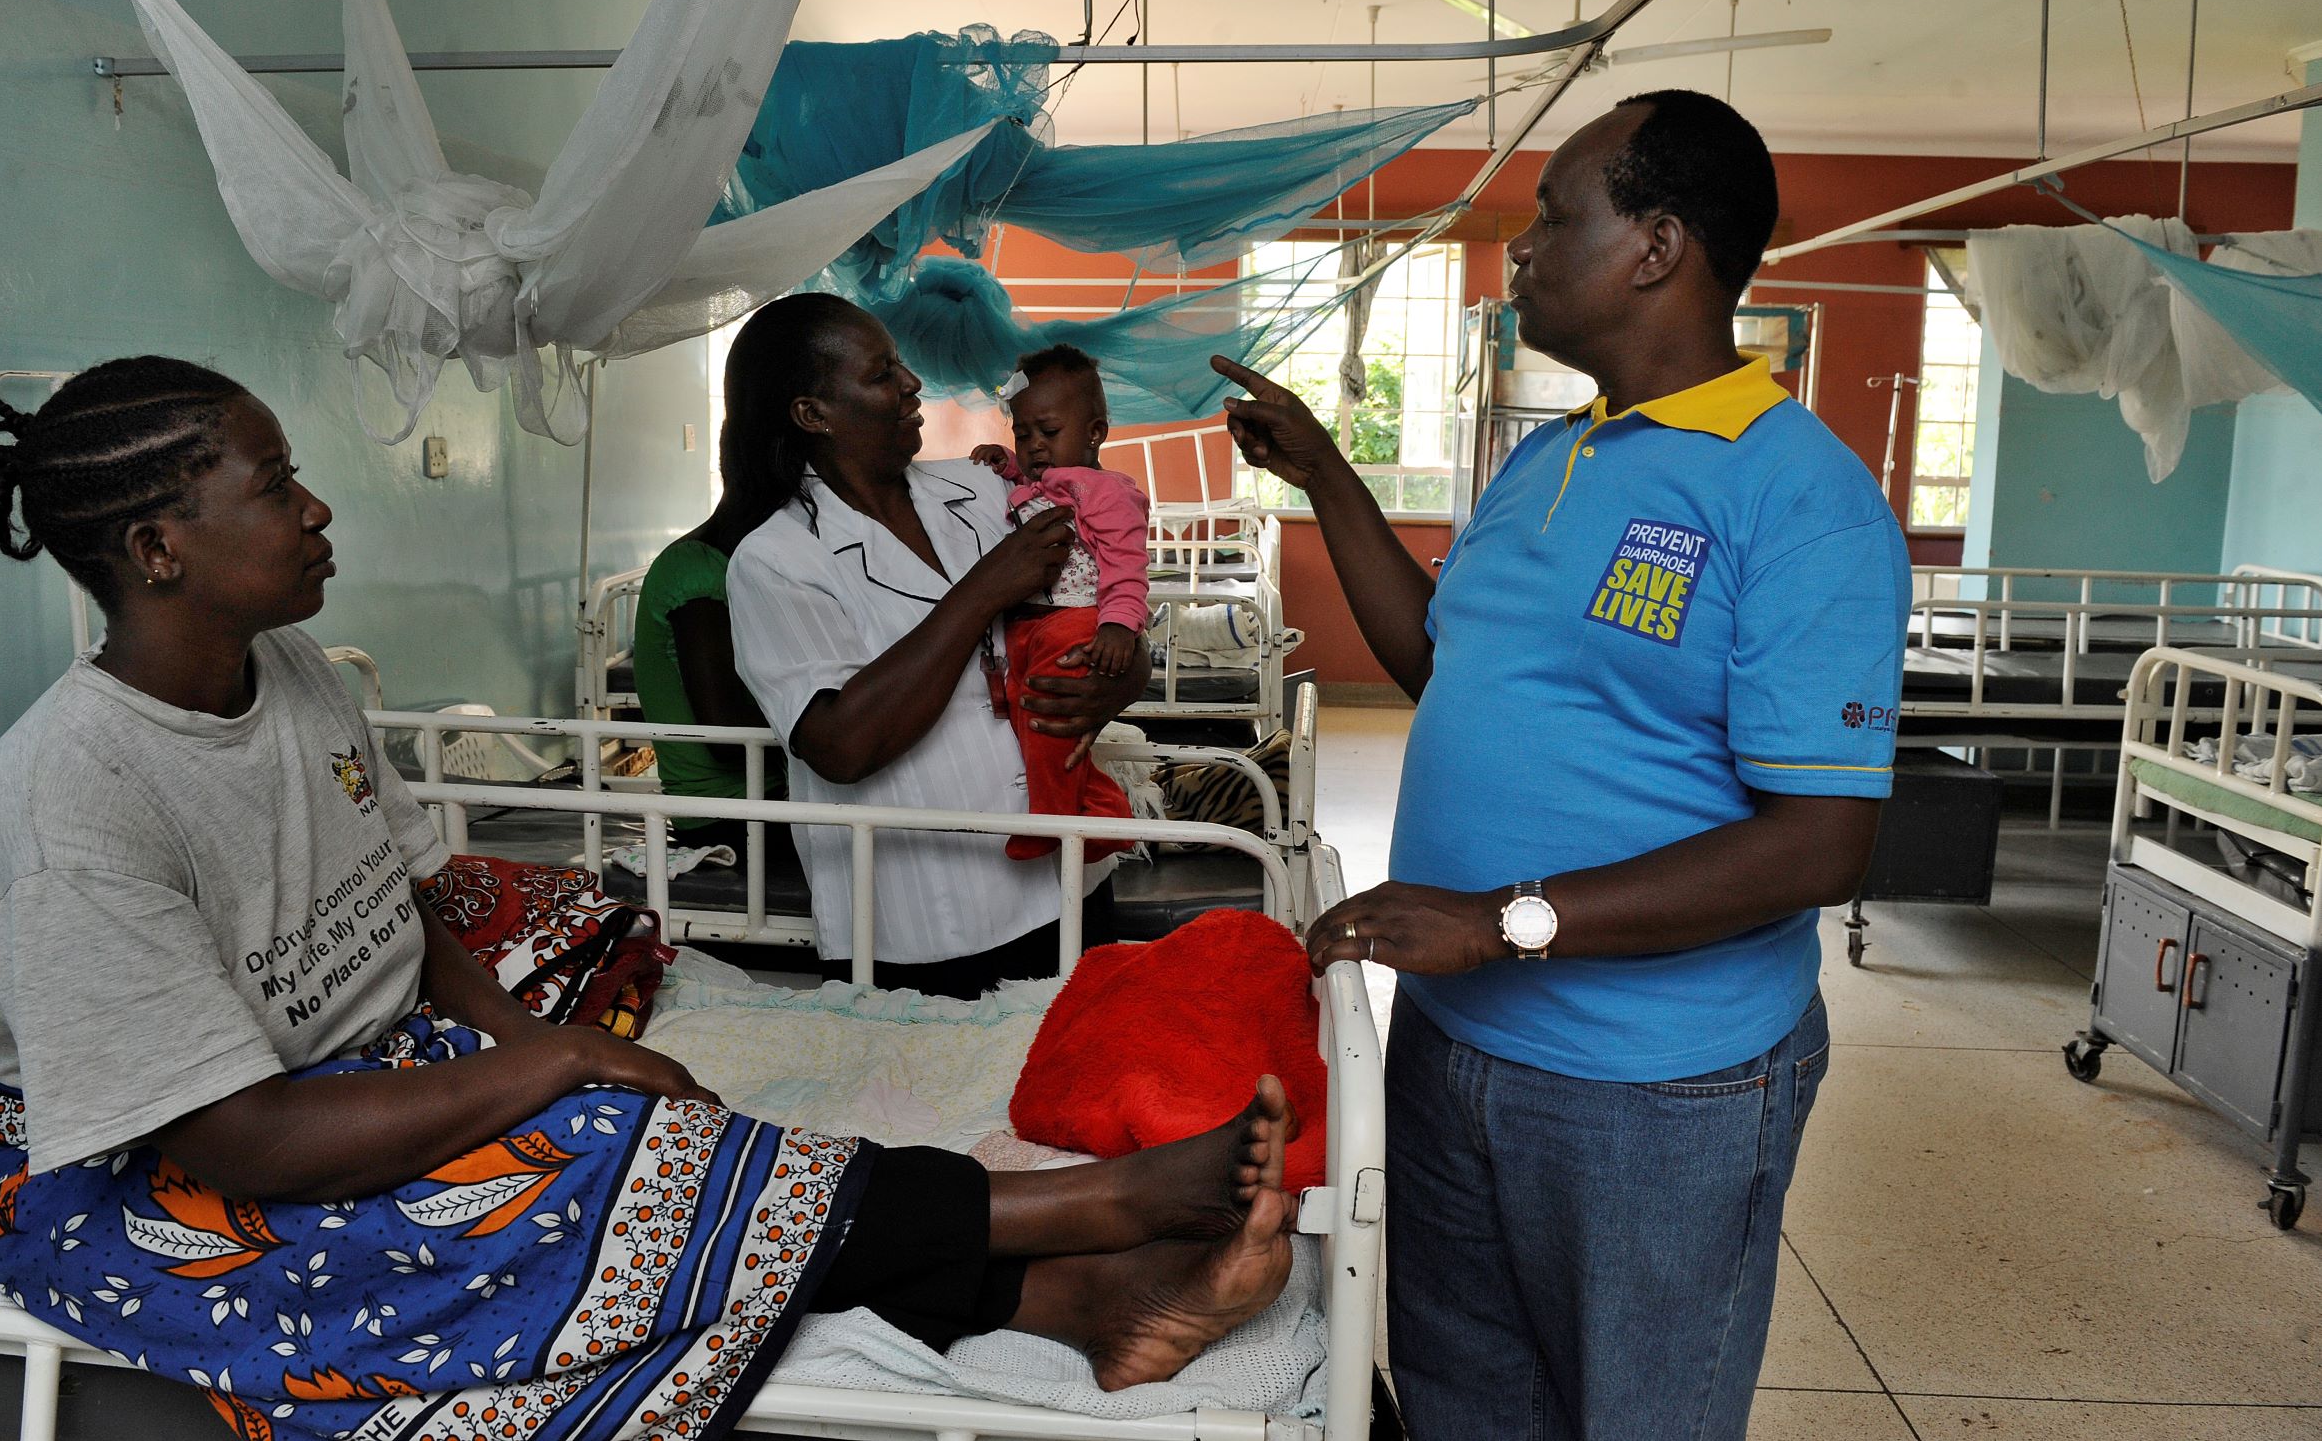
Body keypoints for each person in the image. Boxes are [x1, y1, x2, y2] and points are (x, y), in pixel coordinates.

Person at [0, 357, 1296, 1441]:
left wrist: (514, 1035)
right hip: (160, 1186)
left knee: (647, 1131)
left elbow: (392, 903)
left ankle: (1083, 1300)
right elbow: (242, 1141)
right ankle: (1078, 1212)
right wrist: (550, 1055)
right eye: (273, 483)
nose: (315, 506)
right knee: (604, 1173)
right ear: (157, 547)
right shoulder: (68, 811)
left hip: (335, 1076)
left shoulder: (292, 674)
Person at [1214, 89, 1912, 1441]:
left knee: (1635, 1412)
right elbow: (1440, 658)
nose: (1519, 249)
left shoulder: (1796, 498)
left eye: (1552, 215)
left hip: (1655, 1086)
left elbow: (1816, 842)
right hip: (1452, 1042)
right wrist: (1323, 477)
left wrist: (1498, 919)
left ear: (1654, 246)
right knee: (1464, 1396)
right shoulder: (1550, 455)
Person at [725, 297, 1152, 999]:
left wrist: (1123, 671)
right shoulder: (776, 560)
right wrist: (982, 590)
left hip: (1067, 882)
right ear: (813, 413)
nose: (912, 383)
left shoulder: (985, 489)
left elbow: (1107, 597)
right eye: (882, 371)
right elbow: (839, 743)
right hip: (924, 921)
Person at [969, 345, 1149, 861]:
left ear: (1095, 433)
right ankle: (1101, 812)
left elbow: (1127, 568)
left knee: (1049, 723)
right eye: (1022, 435)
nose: (1034, 446)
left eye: (1048, 433)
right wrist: (1003, 463)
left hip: (1076, 623)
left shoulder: (1107, 493)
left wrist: (1118, 626)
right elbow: (1029, 481)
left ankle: (1050, 821)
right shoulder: (1038, 480)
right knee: (1030, 725)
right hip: (1025, 626)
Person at [628, 497, 788, 854]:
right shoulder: (695, 571)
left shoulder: (736, 566)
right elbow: (726, 737)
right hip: (726, 820)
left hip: (760, 804)